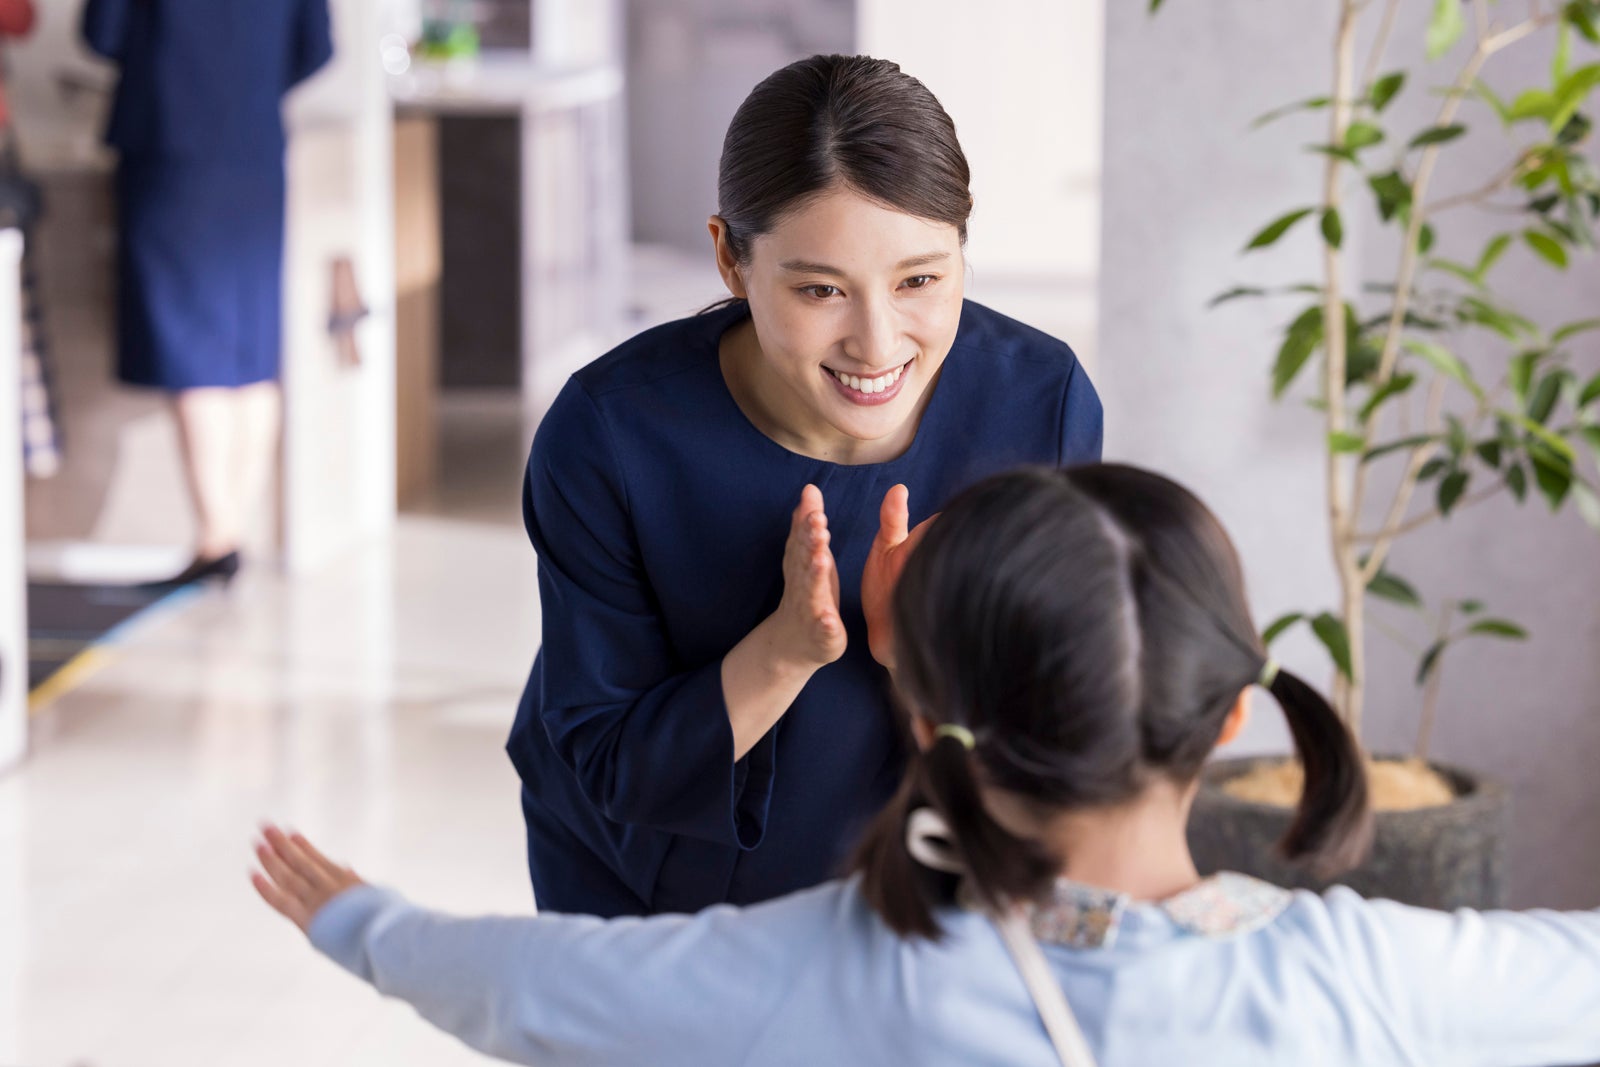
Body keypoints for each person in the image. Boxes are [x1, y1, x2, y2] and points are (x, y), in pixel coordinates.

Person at [254, 463, 1600, 1066]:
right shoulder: (1359, 981)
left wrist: (363, 920)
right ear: (1230, 718)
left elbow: (534, 989)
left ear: (918, 715)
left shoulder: (839, 965)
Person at [508, 53, 1104, 918]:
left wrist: (924, 660)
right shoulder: (612, 434)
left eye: (921, 280)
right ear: (730, 259)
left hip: (909, 878)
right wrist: (787, 646)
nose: (876, 341)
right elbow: (606, 756)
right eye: (822, 288)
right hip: (645, 884)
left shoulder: (1038, 408)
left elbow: (1060, 731)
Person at [80, 0, 333, 585]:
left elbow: (102, 33)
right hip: (253, 144)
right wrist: (248, 78)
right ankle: (229, 530)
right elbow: (316, 47)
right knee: (252, 343)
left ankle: (216, 537)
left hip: (171, 138)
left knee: (188, 337)